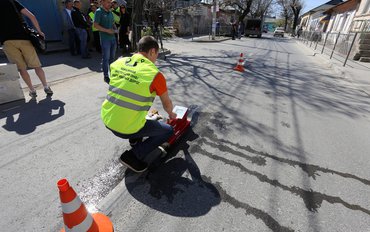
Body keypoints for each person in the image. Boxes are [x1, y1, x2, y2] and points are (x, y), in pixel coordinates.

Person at [101, 36, 177, 173]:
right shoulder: (154, 74)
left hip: (107, 119)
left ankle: (134, 140)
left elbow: (125, 90)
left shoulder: (118, 63)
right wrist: (171, 114)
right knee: (168, 131)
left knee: (142, 113)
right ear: (152, 51)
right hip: (126, 127)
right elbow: (167, 103)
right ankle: (132, 155)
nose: (156, 59)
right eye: (157, 55)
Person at [0, 0, 53, 98]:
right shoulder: (12, 2)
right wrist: (39, 31)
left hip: (7, 42)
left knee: (22, 69)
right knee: (37, 65)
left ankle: (32, 90)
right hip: (23, 38)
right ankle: (46, 87)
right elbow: (31, 16)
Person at [94, 0, 117, 84]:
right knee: (106, 58)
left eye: (110, 2)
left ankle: (113, 74)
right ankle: (106, 76)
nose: (110, 3)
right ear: (102, 2)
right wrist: (107, 30)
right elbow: (95, 25)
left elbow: (113, 23)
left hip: (113, 38)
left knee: (112, 58)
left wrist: (115, 29)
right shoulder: (99, 12)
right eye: (107, 2)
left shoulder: (110, 12)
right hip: (105, 39)